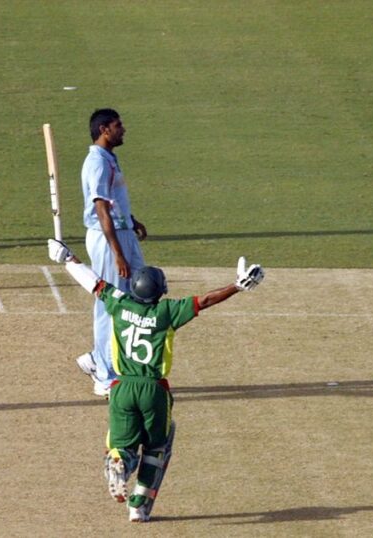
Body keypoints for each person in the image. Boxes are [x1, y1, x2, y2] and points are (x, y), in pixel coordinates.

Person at [48, 238, 264, 523]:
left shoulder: (120, 303)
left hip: (121, 387)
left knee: (122, 446)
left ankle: (121, 463)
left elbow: (94, 283)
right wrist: (236, 286)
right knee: (157, 448)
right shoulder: (166, 312)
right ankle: (138, 505)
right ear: (159, 291)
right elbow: (206, 300)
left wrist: (67, 258)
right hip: (154, 390)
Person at [77, 108, 149, 397]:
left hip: (122, 234)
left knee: (138, 294)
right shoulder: (96, 162)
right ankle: (103, 373)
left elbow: (115, 204)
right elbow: (101, 209)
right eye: (119, 126)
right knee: (110, 304)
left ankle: (102, 358)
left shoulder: (109, 159)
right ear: (104, 129)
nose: (124, 130)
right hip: (109, 241)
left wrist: (132, 221)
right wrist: (117, 253)